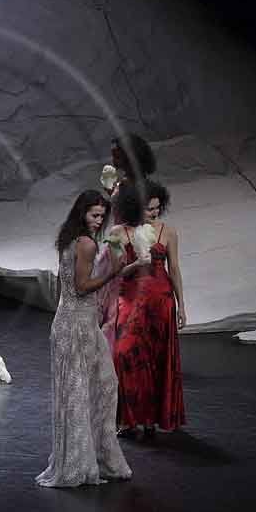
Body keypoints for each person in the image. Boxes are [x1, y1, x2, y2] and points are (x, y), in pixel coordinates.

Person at [36, 190, 144, 488]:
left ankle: (87, 459)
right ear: (82, 212)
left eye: (101, 215)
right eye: (94, 215)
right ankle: (84, 463)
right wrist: (113, 274)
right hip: (77, 326)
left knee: (91, 388)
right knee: (92, 389)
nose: (99, 221)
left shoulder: (68, 239)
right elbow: (83, 287)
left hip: (70, 322)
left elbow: (66, 287)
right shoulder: (84, 244)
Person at [110, 181, 186, 439]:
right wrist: (136, 264)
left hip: (160, 300)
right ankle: (128, 419)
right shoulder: (119, 232)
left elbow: (174, 269)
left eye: (156, 208)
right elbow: (115, 273)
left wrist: (182, 306)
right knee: (124, 355)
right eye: (148, 209)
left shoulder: (168, 232)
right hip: (130, 299)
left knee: (156, 359)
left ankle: (151, 419)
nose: (154, 213)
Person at [103, 132, 156, 203]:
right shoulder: (127, 181)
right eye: (113, 156)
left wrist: (112, 192)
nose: (113, 161)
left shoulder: (139, 186)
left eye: (117, 157)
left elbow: (126, 206)